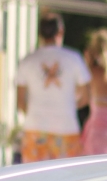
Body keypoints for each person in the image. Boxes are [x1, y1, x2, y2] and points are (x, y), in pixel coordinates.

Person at [14, 15, 87, 162]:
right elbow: (86, 96)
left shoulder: (27, 61)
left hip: (34, 128)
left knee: (35, 180)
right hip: (67, 128)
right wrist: (68, 106)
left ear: (40, 34)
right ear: (60, 31)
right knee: (66, 180)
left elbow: (21, 103)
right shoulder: (74, 59)